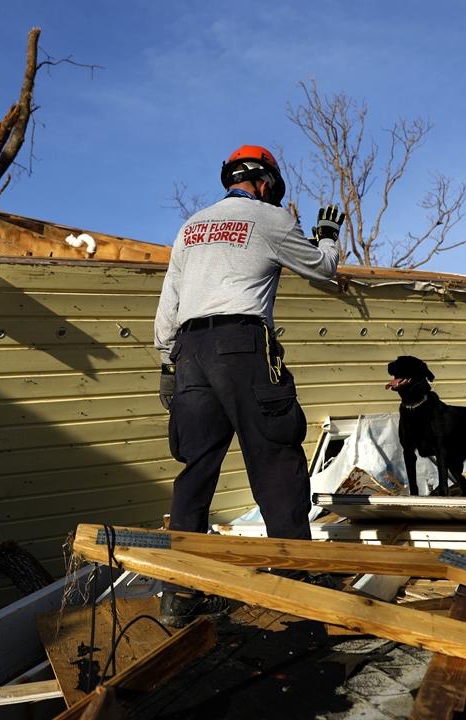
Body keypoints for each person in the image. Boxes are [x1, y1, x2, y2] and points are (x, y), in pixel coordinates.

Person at [154, 145, 342, 624]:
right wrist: (327, 238)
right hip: (241, 345)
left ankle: (179, 593)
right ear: (266, 182)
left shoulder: (191, 226)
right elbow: (322, 270)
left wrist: (168, 364)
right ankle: (297, 577)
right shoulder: (270, 219)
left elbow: (169, 300)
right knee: (274, 456)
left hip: (189, 351)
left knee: (196, 468)